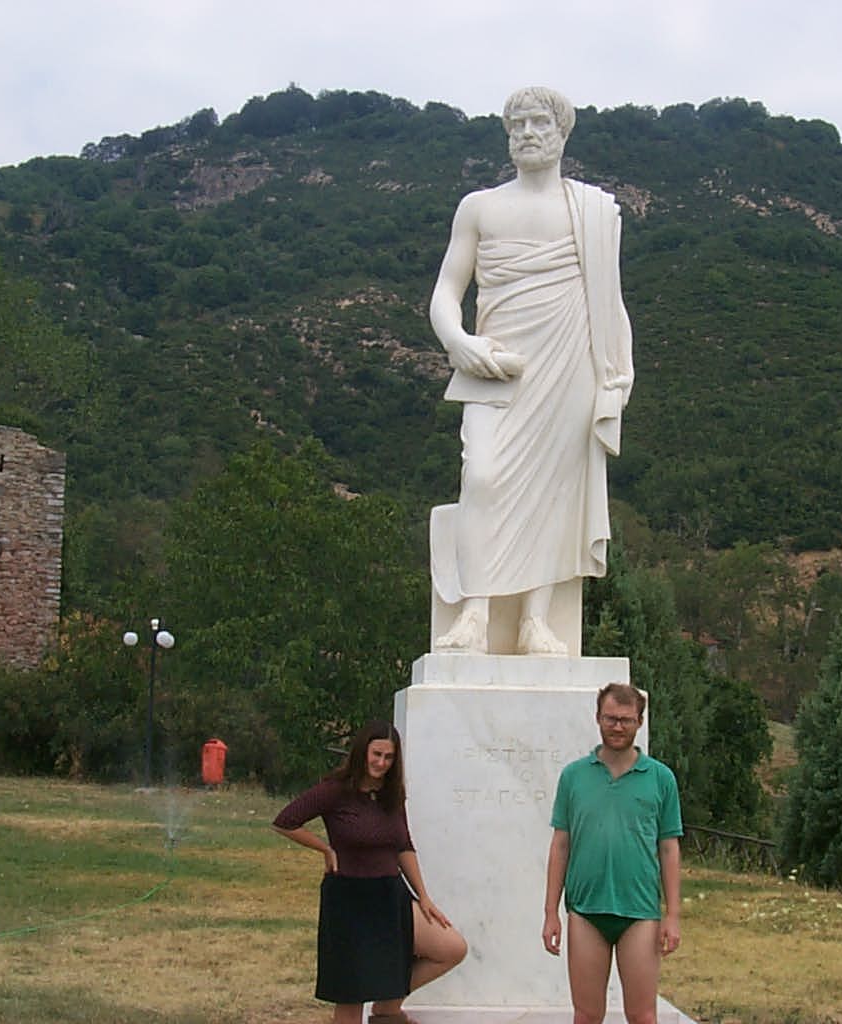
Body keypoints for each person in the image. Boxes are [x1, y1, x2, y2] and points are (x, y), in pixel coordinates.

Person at [428, 85, 633, 656]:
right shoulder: (479, 207)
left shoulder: (593, 212)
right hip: (494, 367)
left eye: (539, 122)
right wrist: (458, 342)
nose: (527, 133)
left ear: (563, 132)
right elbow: (446, 290)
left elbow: (609, 300)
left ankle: (534, 621)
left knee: (552, 494)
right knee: (482, 478)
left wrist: (619, 375)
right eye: (517, 124)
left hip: (569, 368)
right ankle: (474, 612)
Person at [273, 721, 467, 1024]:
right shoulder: (335, 790)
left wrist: (424, 897)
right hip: (349, 898)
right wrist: (325, 849)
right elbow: (285, 821)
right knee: (351, 995)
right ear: (362, 751)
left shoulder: (392, 793)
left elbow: (403, 844)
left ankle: (386, 1010)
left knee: (451, 948)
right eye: (376, 754)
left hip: (390, 893)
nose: (381, 763)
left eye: (389, 757)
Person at [542, 684, 682, 1024]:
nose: (617, 727)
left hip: (640, 911)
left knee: (642, 1015)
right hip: (586, 910)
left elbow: (668, 847)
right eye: (610, 718)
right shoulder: (574, 776)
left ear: (640, 722)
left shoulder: (661, 778)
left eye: (626, 720)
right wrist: (550, 912)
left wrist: (673, 915)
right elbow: (561, 844)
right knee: (587, 1015)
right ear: (598, 718)